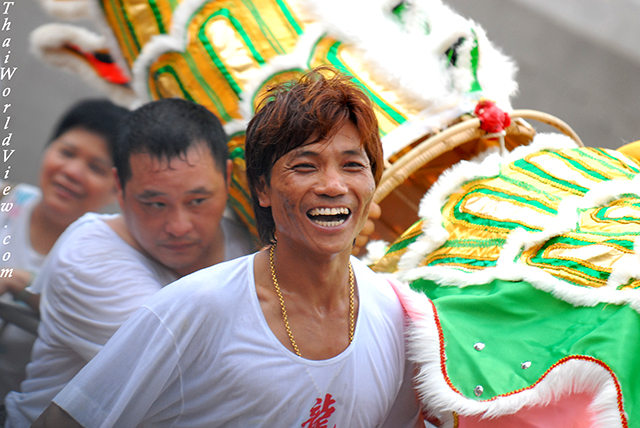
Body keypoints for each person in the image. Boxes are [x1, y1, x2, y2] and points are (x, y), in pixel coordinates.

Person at [31, 67, 423, 427]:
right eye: (304, 166)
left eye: (353, 166)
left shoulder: (397, 315)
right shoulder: (192, 306)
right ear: (261, 188)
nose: (333, 186)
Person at [4, 98, 256, 428]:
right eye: (154, 203)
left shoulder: (246, 243)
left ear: (225, 176)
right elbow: (198, 388)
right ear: (120, 189)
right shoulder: (88, 257)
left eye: (198, 200)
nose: (179, 225)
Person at [0, 99, 128, 405]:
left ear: (118, 190)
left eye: (96, 168)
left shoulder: (106, 261)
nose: (71, 171)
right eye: (66, 152)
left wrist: (16, 280)